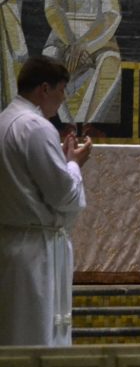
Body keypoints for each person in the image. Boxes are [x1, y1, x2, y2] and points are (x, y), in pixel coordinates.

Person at [0, 56, 90, 346]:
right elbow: (64, 196)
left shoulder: (5, 120)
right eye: (62, 90)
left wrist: (62, 162)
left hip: (11, 241)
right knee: (36, 336)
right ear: (44, 89)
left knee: (12, 331)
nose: (62, 99)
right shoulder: (36, 127)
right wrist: (74, 164)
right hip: (35, 250)